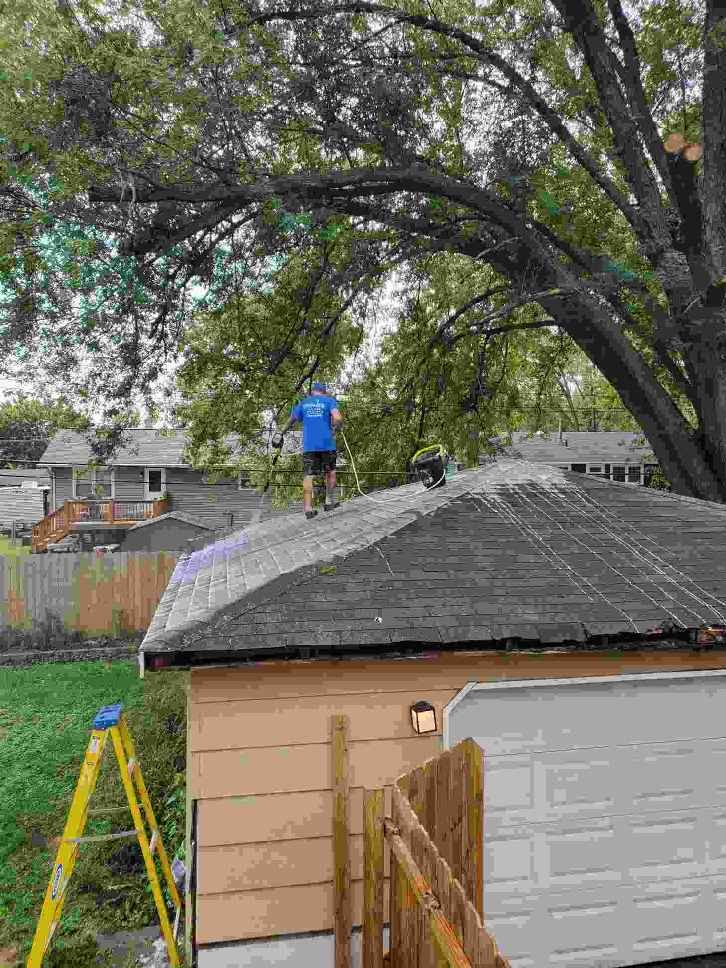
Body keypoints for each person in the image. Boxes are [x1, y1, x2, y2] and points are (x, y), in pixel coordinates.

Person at [272, 382, 343, 519]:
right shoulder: (329, 401)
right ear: (324, 392)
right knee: (330, 472)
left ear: (313, 392)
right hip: (327, 444)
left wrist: (280, 433)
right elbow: (338, 418)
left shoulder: (304, 403)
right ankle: (328, 502)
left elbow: (291, 420)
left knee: (308, 476)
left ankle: (307, 508)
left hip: (310, 446)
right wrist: (335, 428)